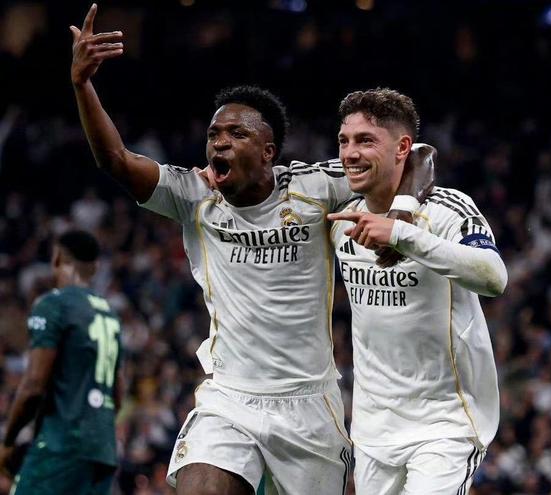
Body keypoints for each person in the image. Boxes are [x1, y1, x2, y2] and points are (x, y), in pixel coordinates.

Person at [69, 5, 433, 494]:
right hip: (230, 398)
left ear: (268, 153)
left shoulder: (314, 187)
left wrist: (402, 217)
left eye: (237, 134)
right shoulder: (192, 195)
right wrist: (83, 86)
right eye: (214, 135)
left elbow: (418, 156)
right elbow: (115, 158)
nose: (219, 144)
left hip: (309, 404)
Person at [327, 88, 508, 494]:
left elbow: (494, 277)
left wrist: (402, 234)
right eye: (344, 140)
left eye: (366, 140)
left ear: (401, 147)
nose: (350, 153)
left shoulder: (448, 209)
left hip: (445, 423)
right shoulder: (341, 216)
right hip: (373, 428)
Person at [0, 230, 123, 495]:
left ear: (56, 257)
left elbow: (33, 386)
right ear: (95, 267)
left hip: (62, 444)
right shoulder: (110, 314)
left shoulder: (53, 305)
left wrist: (8, 441)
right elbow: (118, 395)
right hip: (103, 451)